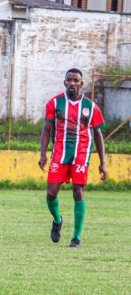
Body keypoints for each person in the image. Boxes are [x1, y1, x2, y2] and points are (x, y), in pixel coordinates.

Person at [38, 68, 107, 248]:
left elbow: (97, 134)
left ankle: (76, 237)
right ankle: (57, 219)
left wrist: (102, 162)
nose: (72, 83)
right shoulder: (55, 103)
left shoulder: (90, 107)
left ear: (81, 84)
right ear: (64, 82)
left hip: (81, 155)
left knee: (78, 191)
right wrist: (43, 153)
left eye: (76, 80)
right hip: (59, 154)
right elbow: (46, 129)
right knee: (51, 193)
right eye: (69, 80)